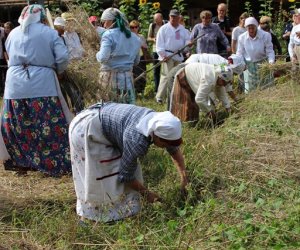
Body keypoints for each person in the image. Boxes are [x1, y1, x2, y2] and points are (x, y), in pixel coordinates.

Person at [69, 102, 188, 222]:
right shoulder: (137, 140)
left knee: (126, 170)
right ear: (156, 137)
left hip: (100, 120)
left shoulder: (156, 122)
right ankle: (94, 218)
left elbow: (173, 150)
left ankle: (122, 213)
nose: (166, 147)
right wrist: (147, 194)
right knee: (103, 177)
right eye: (165, 144)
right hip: (86, 130)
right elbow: (125, 176)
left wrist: (184, 178)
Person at [0, 4, 72, 176]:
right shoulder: (49, 32)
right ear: (40, 17)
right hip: (42, 83)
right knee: (48, 125)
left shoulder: (14, 33)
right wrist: (59, 71)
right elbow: (62, 57)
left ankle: (22, 164)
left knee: (17, 125)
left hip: (15, 84)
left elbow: (8, 55)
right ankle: (52, 165)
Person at [96, 7, 141, 104]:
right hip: (127, 79)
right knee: (126, 107)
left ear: (111, 21)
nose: (103, 25)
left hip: (109, 79)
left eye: (104, 21)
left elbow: (103, 58)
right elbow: (136, 61)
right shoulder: (135, 37)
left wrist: (97, 54)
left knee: (108, 108)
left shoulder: (108, 35)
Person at [169, 63, 233, 122]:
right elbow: (199, 99)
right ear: (220, 77)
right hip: (179, 75)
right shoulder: (209, 79)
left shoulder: (217, 75)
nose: (224, 85)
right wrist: (210, 111)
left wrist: (228, 107)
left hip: (190, 73)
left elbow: (221, 93)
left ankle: (192, 123)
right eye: (224, 82)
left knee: (198, 104)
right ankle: (172, 125)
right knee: (178, 105)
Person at [155, 9, 190, 103]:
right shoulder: (164, 28)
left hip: (178, 55)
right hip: (167, 55)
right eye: (172, 16)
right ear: (169, 17)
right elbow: (159, 43)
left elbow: (187, 41)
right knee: (166, 76)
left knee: (177, 76)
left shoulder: (183, 29)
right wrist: (163, 55)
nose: (173, 18)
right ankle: (160, 97)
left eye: (175, 16)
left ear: (179, 18)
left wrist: (188, 45)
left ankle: (173, 96)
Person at [237, 17, 275, 93]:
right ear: (246, 28)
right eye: (249, 28)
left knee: (266, 88)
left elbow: (270, 51)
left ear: (256, 26)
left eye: (253, 28)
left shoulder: (265, 35)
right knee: (251, 89)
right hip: (249, 66)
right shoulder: (242, 38)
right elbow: (239, 53)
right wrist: (242, 64)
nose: (251, 30)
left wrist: (271, 62)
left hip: (264, 64)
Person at [147, 13, 166, 93]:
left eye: (158, 21)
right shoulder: (152, 25)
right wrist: (153, 39)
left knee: (166, 71)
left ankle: (165, 90)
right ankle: (156, 90)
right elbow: (148, 38)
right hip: (156, 50)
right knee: (156, 70)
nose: (157, 22)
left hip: (166, 50)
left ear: (162, 19)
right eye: (155, 20)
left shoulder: (167, 24)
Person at [130, 20, 149, 97]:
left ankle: (141, 92)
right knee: (134, 75)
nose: (134, 29)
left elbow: (146, 47)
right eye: (132, 27)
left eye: (136, 27)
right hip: (132, 58)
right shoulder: (128, 37)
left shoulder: (141, 37)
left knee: (142, 75)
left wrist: (142, 45)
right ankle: (134, 92)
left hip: (141, 58)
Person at [231, 12, 248, 93]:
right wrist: (234, 54)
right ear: (240, 19)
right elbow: (233, 43)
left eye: (245, 19)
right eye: (242, 18)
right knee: (240, 72)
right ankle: (240, 89)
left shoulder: (248, 29)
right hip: (239, 54)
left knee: (247, 72)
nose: (243, 20)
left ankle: (247, 89)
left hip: (247, 54)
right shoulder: (236, 30)